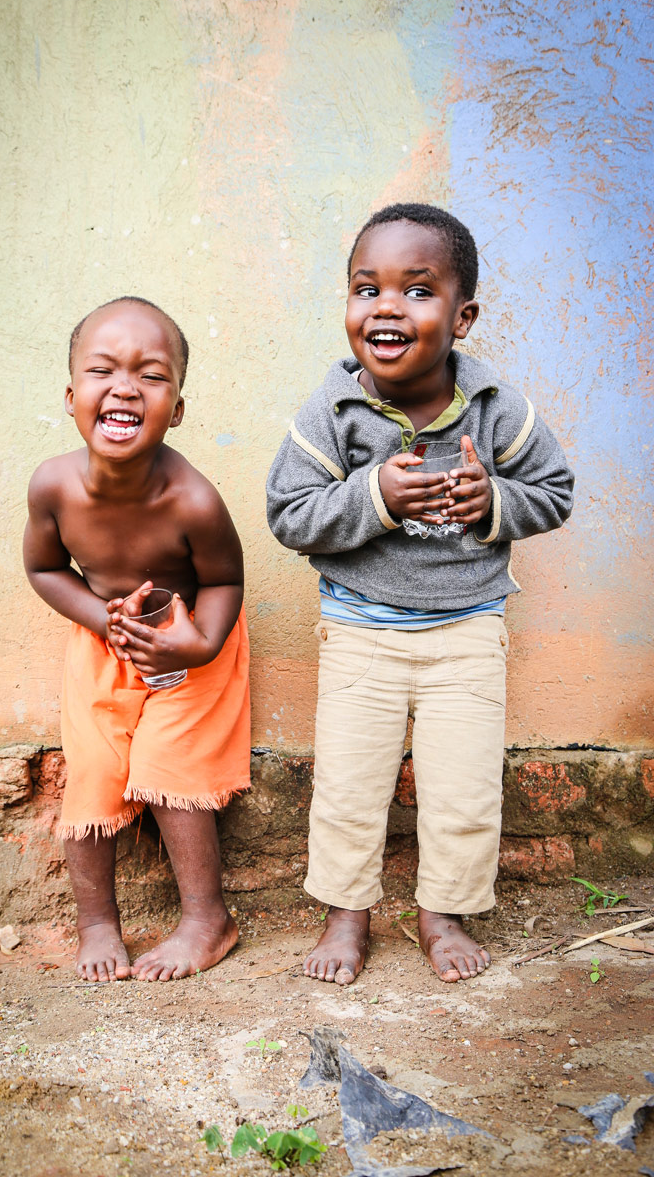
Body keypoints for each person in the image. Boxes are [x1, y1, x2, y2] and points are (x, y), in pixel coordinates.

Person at [266, 203, 574, 985]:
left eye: (418, 290)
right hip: (360, 631)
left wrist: (494, 501)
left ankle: (444, 912)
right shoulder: (333, 411)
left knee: (464, 790)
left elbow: (556, 491)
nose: (388, 308)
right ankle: (347, 915)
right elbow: (289, 514)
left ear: (462, 316)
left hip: (468, 631)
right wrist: (375, 496)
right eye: (367, 290)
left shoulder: (498, 408)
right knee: (348, 788)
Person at [24, 296, 250, 982]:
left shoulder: (194, 500)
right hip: (102, 636)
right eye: (103, 371)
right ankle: (97, 925)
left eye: (151, 376)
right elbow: (42, 568)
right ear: (71, 396)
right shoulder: (54, 486)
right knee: (94, 772)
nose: (124, 386)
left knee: (167, 762)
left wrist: (198, 644)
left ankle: (208, 921)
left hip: (189, 641)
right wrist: (100, 619)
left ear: (176, 408)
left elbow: (226, 582)